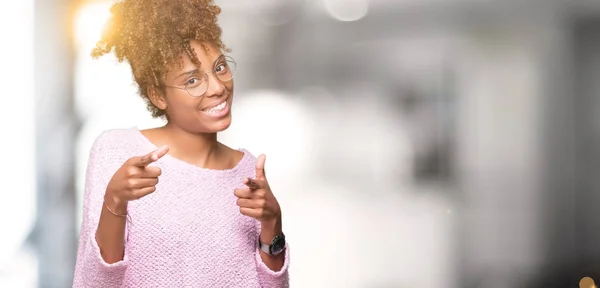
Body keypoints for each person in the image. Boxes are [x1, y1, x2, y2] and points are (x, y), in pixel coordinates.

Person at [71, 0, 289, 287]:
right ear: (158, 96)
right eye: (193, 80)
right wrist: (115, 200)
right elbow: (95, 283)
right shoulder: (116, 151)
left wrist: (273, 223)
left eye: (220, 67)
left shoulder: (248, 170)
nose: (218, 88)